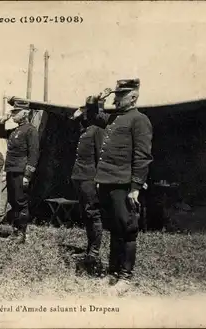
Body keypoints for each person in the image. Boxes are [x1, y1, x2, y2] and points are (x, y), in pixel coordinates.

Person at [72, 79, 153, 292]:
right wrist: (96, 99)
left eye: (120, 96)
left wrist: (136, 186)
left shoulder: (139, 120)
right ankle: (112, 274)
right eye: (115, 95)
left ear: (133, 97)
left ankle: (125, 278)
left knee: (127, 229)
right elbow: (93, 116)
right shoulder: (114, 119)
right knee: (115, 230)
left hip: (123, 183)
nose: (115, 100)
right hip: (106, 181)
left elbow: (143, 156)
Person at [67, 99, 105, 277]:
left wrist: (99, 179)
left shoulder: (97, 131)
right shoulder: (85, 131)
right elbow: (71, 130)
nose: (83, 114)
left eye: (85, 111)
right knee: (85, 213)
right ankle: (89, 249)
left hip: (90, 177)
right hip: (80, 177)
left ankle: (94, 252)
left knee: (93, 213)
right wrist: (75, 118)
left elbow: (101, 157)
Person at [0, 101, 40, 244]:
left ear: (25, 113)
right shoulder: (16, 130)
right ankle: (15, 231)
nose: (13, 114)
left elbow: (33, 154)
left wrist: (28, 175)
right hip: (11, 170)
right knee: (13, 201)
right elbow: (1, 133)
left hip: (21, 171)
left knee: (21, 202)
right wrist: (1, 122)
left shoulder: (30, 130)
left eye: (16, 112)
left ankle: (21, 234)